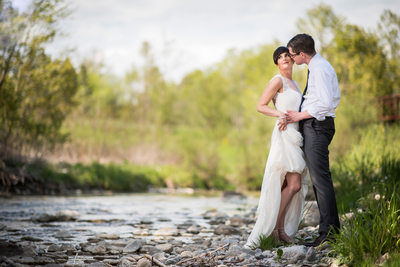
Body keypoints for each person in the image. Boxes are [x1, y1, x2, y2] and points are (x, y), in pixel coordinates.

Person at [244, 46, 308, 249]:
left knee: (286, 185)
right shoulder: (277, 80)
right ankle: (275, 229)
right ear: (277, 63)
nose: (284, 59)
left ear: (292, 58)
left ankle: (279, 229)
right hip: (284, 134)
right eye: (279, 57)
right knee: (294, 184)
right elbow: (261, 105)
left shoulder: (295, 83)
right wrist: (280, 115)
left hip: (296, 134)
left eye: (287, 55)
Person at [284, 33, 341, 247]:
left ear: (301, 54)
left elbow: (327, 103)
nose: (291, 59)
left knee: (321, 180)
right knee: (320, 181)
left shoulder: (319, 68)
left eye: (292, 55)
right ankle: (329, 231)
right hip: (315, 125)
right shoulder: (317, 67)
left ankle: (329, 234)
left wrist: (300, 115)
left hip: (317, 126)